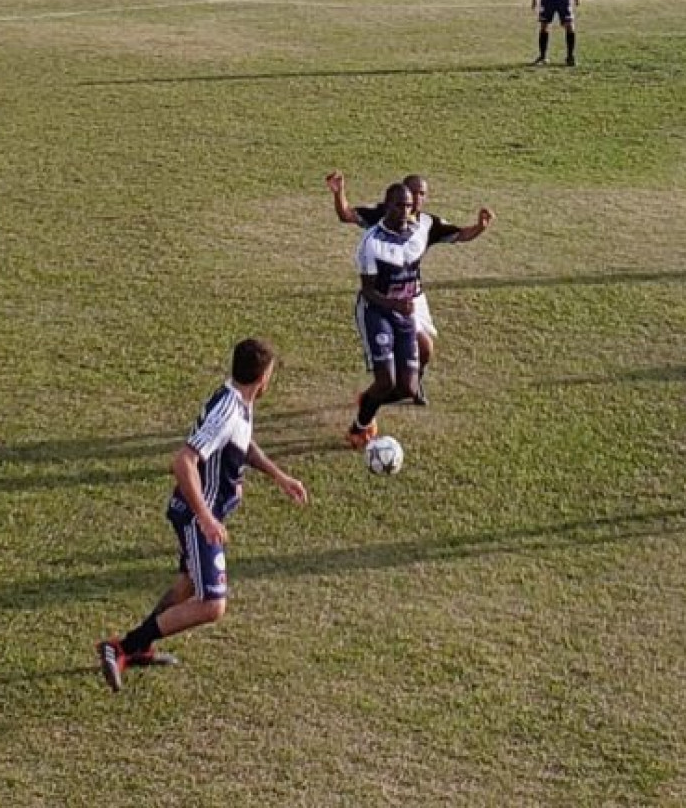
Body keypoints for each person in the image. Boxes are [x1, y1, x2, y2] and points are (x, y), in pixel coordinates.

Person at [97, 337, 307, 693]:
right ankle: (121, 647)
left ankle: (140, 645)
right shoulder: (227, 410)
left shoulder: (238, 401)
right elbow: (184, 461)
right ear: (264, 378)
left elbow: (241, 444)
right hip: (198, 519)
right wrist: (207, 518)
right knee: (212, 605)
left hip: (201, 515)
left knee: (188, 585)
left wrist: (278, 475)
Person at [345, 181, 494, 447]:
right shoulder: (371, 243)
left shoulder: (422, 228)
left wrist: (480, 227)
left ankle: (368, 399)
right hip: (376, 311)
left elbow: (457, 234)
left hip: (404, 312)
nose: (405, 211)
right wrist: (396, 305)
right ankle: (359, 427)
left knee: (407, 389)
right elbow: (367, 291)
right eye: (399, 206)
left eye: (409, 206)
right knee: (386, 379)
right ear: (387, 207)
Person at [326, 170, 485, 405]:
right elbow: (347, 215)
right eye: (413, 193)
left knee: (427, 350)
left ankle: (411, 384)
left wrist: (480, 226)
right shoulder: (386, 215)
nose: (418, 199)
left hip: (413, 298)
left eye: (423, 194)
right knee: (412, 351)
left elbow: (460, 234)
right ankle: (382, 395)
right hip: (384, 298)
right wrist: (339, 193)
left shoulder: (429, 223)